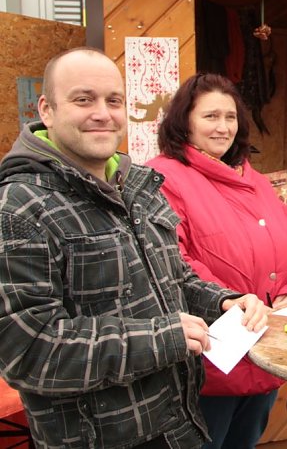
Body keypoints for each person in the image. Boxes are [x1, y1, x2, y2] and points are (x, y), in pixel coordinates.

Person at [0, 47, 269, 449]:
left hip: (179, 426)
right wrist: (161, 338)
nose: (102, 113)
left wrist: (221, 302)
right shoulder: (19, 207)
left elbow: (175, 276)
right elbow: (28, 350)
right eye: (83, 99)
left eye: (114, 101)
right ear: (47, 109)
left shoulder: (140, 185)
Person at [147, 73, 287, 449]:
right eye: (210, 117)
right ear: (183, 121)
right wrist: (230, 299)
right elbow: (174, 261)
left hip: (266, 343)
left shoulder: (254, 178)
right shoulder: (164, 178)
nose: (223, 127)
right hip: (211, 356)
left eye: (230, 117)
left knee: (245, 441)